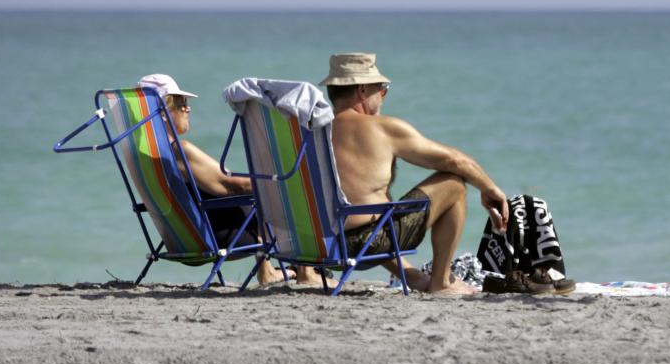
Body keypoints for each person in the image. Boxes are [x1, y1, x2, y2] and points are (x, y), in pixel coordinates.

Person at [319, 53, 510, 295]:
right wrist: (490, 189)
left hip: (320, 244)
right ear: (363, 90)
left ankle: (415, 277)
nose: (383, 96)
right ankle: (441, 282)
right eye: (383, 89)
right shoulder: (383, 129)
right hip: (364, 245)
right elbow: (454, 160)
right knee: (453, 184)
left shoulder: (312, 132)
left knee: (371, 203)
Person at [137, 74, 325, 287]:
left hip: (179, 240)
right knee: (283, 191)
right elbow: (230, 186)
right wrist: (285, 182)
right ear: (162, 112)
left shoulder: (144, 155)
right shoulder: (180, 152)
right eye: (181, 103)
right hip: (221, 237)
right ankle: (306, 273)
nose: (187, 109)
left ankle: (268, 271)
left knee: (260, 192)